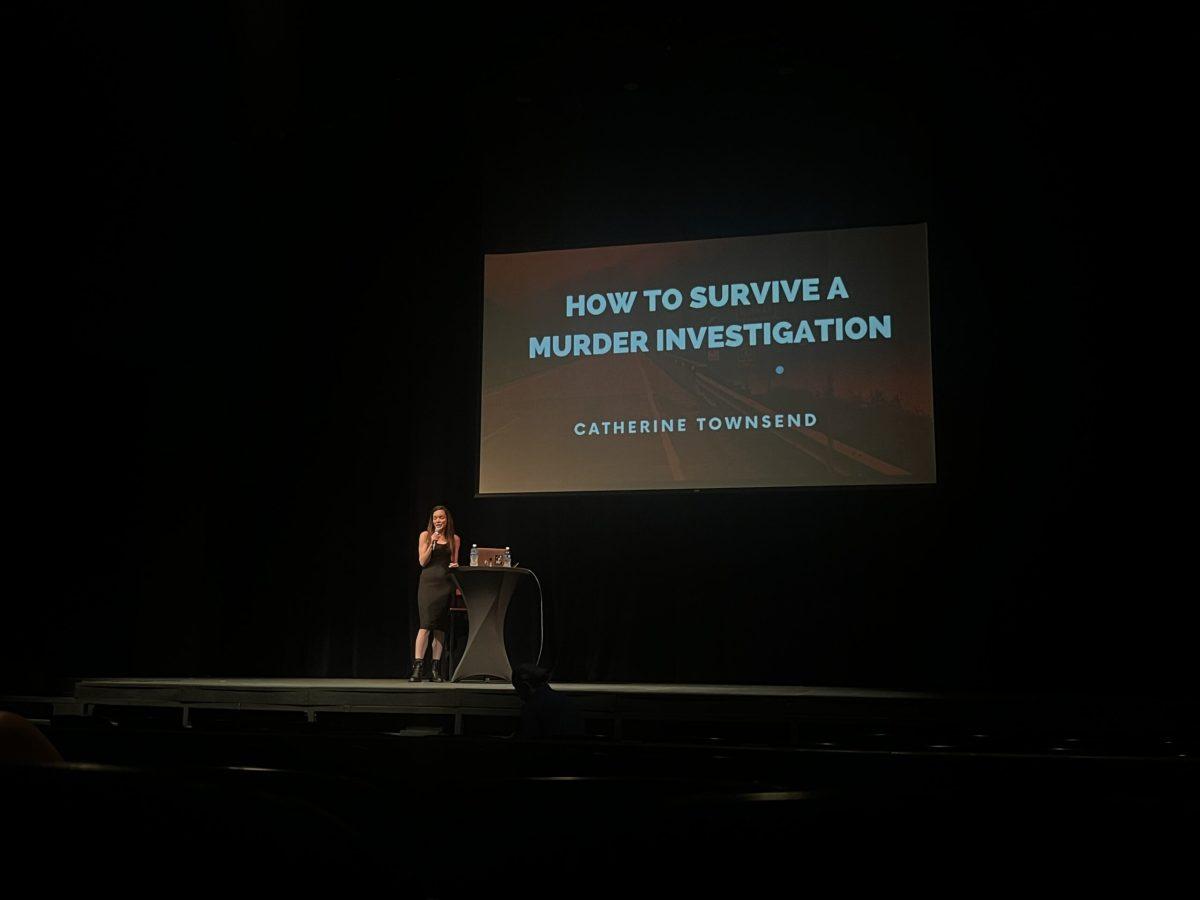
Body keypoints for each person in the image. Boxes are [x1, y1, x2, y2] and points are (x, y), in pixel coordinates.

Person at [411, 505, 460, 682]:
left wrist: (455, 565)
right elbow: (423, 562)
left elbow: (454, 561)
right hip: (428, 584)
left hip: (445, 584)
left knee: (440, 627)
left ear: (447, 520)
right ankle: (417, 668)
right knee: (425, 625)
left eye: (441, 517)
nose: (438, 521)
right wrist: (432, 542)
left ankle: (435, 669)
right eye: (435, 518)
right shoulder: (425, 535)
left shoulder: (454, 539)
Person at [511, 664, 584, 738]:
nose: (518, 695)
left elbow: (529, 739)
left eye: (517, 689)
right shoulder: (567, 701)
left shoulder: (531, 708)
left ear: (525, 686)